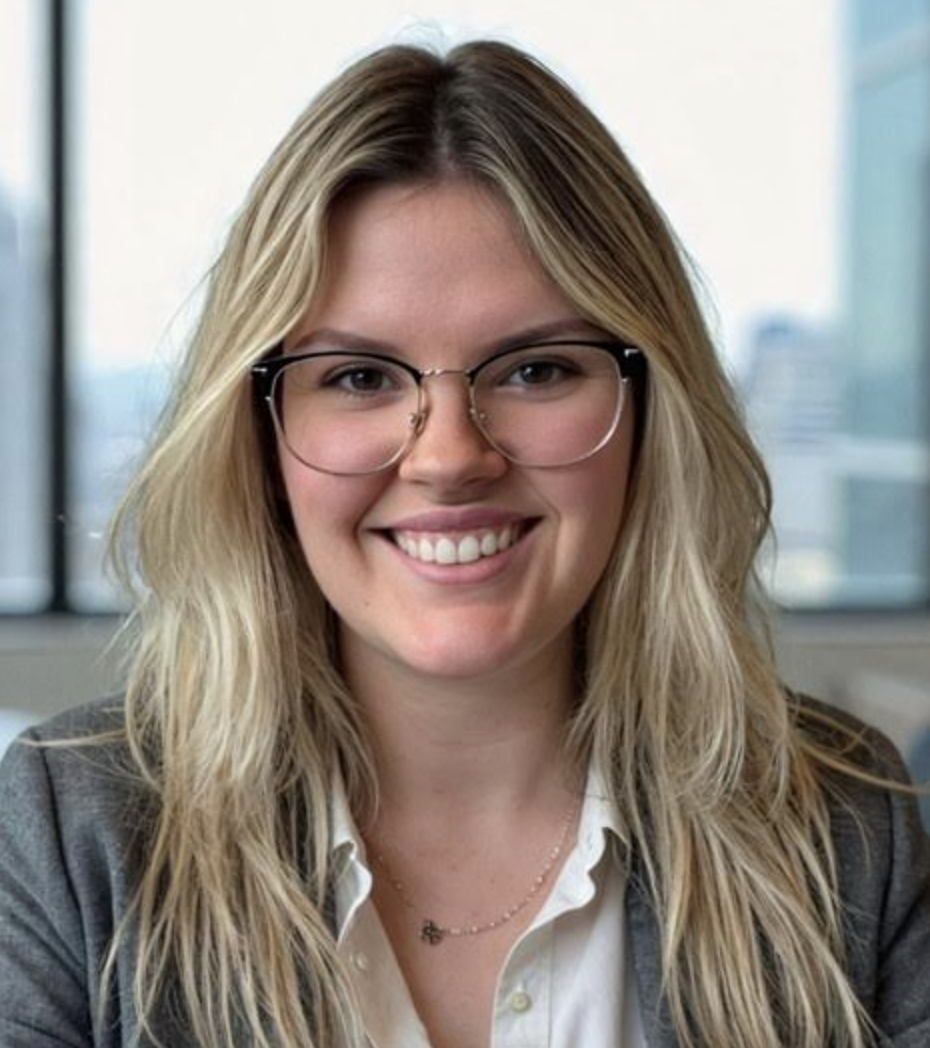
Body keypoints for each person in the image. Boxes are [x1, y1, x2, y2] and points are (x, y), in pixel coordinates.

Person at [0, 39, 928, 1048]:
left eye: (534, 370)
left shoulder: (843, 827)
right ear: (259, 435)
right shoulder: (70, 828)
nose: (449, 456)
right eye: (359, 377)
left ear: (650, 413)